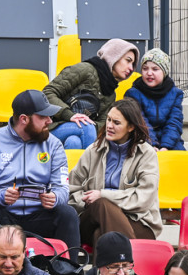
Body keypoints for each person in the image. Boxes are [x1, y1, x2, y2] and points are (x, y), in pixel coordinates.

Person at [0, 89, 80, 249]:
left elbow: (62, 189)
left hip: (41, 215)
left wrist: (55, 197)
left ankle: (69, 270)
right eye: (43, 117)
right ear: (24, 119)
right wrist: (1, 196)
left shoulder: (54, 144)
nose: (49, 121)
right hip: (4, 216)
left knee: (67, 213)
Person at [68, 98, 162, 246]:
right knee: (101, 204)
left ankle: (109, 268)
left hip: (137, 221)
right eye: (109, 120)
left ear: (131, 127)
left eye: (116, 123)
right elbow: (71, 189)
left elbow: (144, 198)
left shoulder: (146, 154)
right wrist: (88, 200)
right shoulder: (93, 151)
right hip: (91, 219)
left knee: (101, 235)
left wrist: (104, 194)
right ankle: (129, 266)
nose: (109, 126)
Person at [43, 37, 139, 149]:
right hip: (52, 127)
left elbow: (102, 124)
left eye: (133, 64)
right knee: (87, 127)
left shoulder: (111, 94)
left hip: (78, 132)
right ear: (114, 56)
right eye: (128, 61)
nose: (131, 68)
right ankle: (93, 166)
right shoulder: (85, 70)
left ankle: (70, 166)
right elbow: (47, 93)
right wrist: (70, 115)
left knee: (74, 142)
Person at [124, 48, 186, 150]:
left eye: (155, 69)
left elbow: (174, 122)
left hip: (169, 140)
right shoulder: (133, 93)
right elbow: (140, 121)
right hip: (142, 138)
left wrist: (166, 146)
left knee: (179, 157)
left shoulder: (175, 94)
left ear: (164, 72)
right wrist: (152, 144)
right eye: (145, 68)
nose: (149, 73)